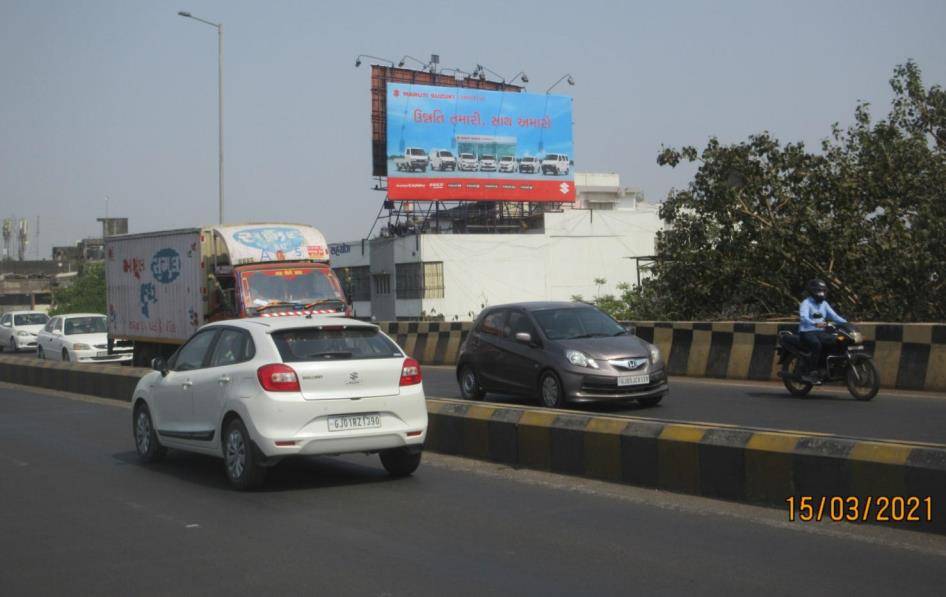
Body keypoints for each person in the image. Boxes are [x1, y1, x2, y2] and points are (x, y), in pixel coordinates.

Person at [798, 279, 847, 383]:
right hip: (807, 332)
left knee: (835, 341)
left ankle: (824, 368)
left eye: (823, 291)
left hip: (820, 332)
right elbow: (803, 317)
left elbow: (834, 316)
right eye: (819, 291)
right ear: (812, 291)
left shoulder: (824, 304)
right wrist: (815, 323)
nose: (821, 293)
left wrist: (846, 323)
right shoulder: (806, 303)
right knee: (817, 345)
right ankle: (811, 372)